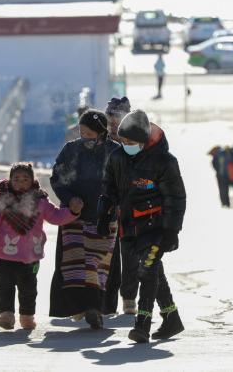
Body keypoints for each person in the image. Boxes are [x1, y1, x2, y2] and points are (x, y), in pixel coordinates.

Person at [97, 110, 186, 343]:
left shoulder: (164, 161)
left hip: (155, 227)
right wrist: (103, 215)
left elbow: (176, 198)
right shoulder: (117, 158)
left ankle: (142, 324)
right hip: (128, 226)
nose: (126, 145)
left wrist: (171, 230)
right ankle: (171, 318)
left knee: (146, 270)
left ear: (144, 141)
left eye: (131, 142)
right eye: (123, 141)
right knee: (153, 271)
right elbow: (109, 189)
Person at [0, 163, 83, 330]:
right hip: (4, 255)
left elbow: (55, 216)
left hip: (31, 255)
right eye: (16, 179)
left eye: (25, 179)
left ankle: (27, 316)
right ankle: (6, 315)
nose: (20, 182)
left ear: (33, 180)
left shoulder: (40, 201)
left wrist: (72, 212)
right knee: (5, 285)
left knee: (29, 288)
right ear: (10, 180)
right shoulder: (2, 200)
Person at [49, 109, 120, 329]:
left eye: (89, 133)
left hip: (104, 218)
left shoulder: (115, 152)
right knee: (75, 265)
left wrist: (113, 203)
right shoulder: (70, 150)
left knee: (97, 264)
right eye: (82, 132)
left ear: (101, 132)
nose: (84, 137)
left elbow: (123, 182)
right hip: (74, 218)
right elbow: (57, 178)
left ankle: (95, 307)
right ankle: (84, 308)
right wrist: (70, 199)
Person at [103, 96, 136, 316]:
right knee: (109, 256)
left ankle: (129, 299)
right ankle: (107, 302)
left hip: (132, 207)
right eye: (110, 118)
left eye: (118, 117)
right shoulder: (100, 141)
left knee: (131, 255)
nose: (114, 122)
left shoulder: (136, 141)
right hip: (107, 206)